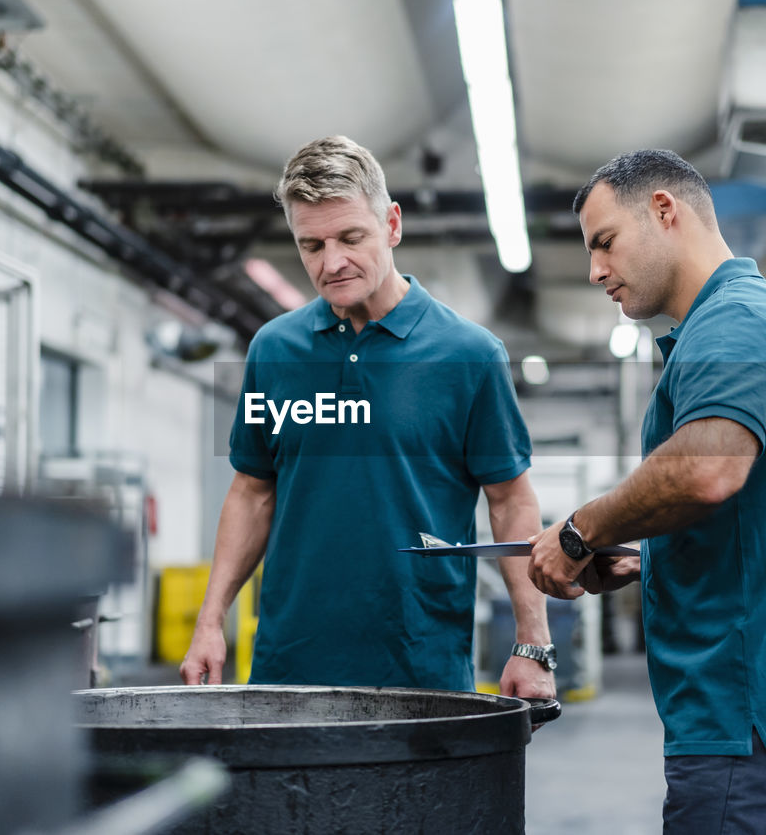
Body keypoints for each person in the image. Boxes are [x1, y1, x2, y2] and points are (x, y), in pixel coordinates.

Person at [527, 149, 766, 834]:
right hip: (752, 705)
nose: (594, 271)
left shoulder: (735, 319)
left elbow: (707, 470)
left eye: (605, 242)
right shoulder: (730, 321)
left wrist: (580, 531)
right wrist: (652, 560)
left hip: (747, 710)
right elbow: (751, 519)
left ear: (664, 210)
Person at [180, 135, 554, 698]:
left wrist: (532, 643)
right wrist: (210, 621)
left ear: (392, 225)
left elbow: (510, 501)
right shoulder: (274, 350)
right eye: (312, 245)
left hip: (420, 667)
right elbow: (252, 492)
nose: (332, 263)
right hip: (291, 666)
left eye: (351, 237)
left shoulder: (468, 355)